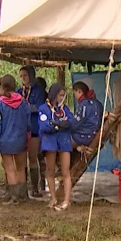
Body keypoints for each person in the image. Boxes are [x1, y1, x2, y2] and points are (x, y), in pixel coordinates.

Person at [0, 75, 30, 203]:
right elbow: (28, 123)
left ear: (3, 88)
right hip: (21, 140)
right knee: (21, 168)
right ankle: (22, 195)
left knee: (9, 169)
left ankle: (14, 198)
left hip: (5, 141)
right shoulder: (24, 103)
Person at [38, 83, 76, 211]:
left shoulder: (64, 109)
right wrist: (59, 125)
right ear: (53, 94)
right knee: (50, 171)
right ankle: (53, 198)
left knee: (66, 171)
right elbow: (44, 126)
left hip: (64, 142)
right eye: (60, 95)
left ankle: (66, 200)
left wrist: (56, 124)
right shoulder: (43, 108)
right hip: (50, 142)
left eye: (63, 95)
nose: (61, 98)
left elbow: (70, 122)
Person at [19, 65, 46, 199]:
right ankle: (23, 189)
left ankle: (35, 188)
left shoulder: (38, 91)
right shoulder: (19, 91)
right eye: (21, 76)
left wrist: (25, 108)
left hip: (34, 127)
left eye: (25, 75)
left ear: (31, 75)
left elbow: (40, 107)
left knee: (33, 157)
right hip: (22, 128)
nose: (23, 78)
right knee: (22, 159)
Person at [71, 81, 103, 150]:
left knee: (61, 142)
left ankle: (63, 161)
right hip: (94, 134)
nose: (75, 96)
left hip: (84, 136)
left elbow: (76, 123)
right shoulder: (98, 103)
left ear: (79, 91)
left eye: (74, 93)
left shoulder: (84, 104)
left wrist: (66, 126)